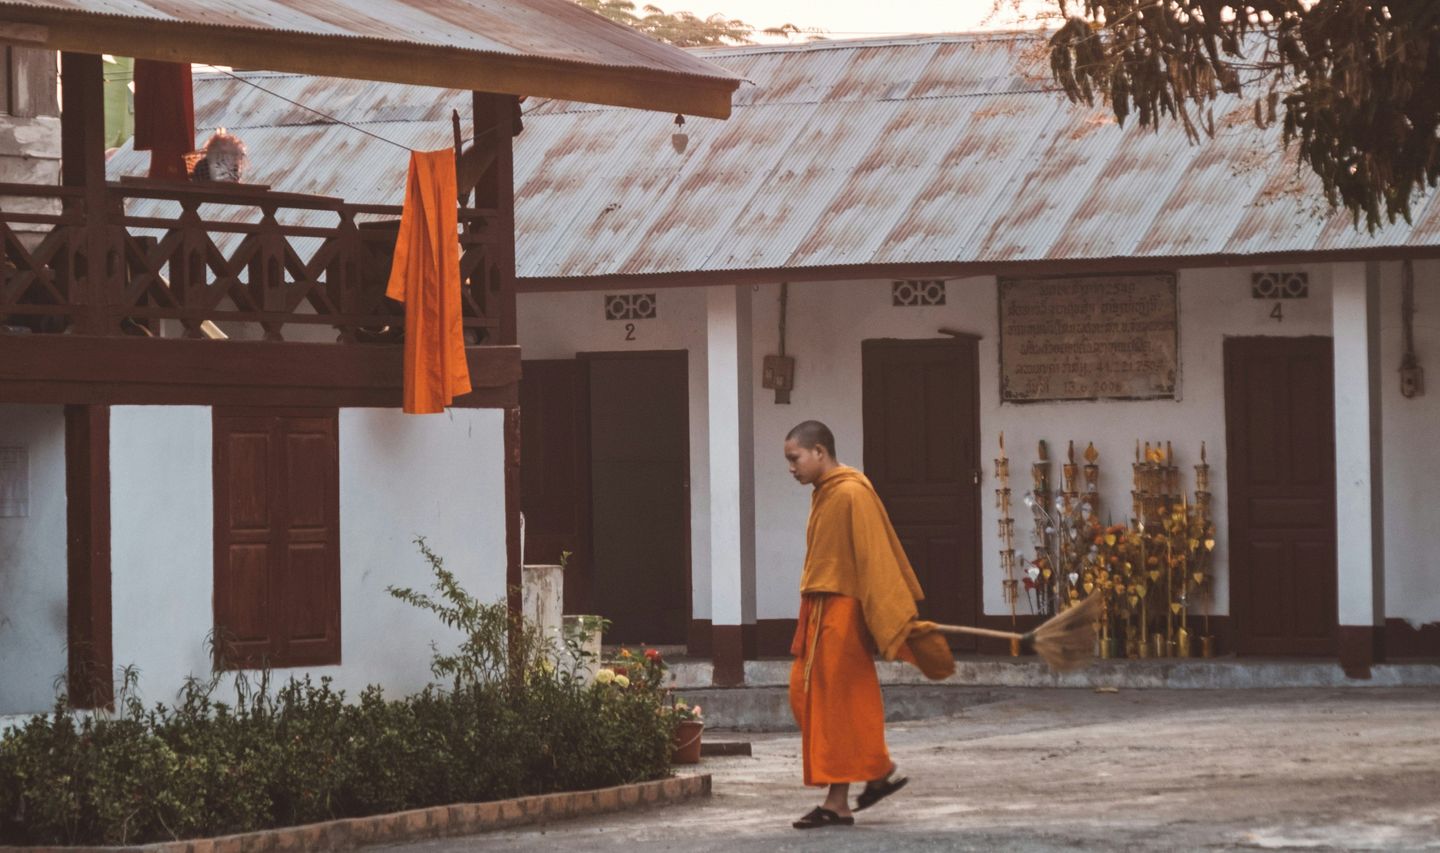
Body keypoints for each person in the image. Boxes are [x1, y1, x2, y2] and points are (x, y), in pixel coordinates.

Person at [783, 420, 955, 830]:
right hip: (820, 609)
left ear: (819, 452)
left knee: (837, 702)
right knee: (812, 697)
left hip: (841, 612)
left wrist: (892, 614)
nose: (791, 467)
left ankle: (838, 802)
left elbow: (875, 558)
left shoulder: (851, 492)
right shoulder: (826, 491)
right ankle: (875, 770)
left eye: (795, 458)